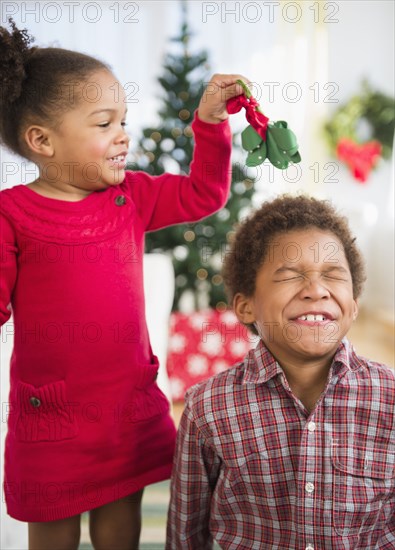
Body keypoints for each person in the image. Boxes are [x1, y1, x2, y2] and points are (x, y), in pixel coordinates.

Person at [0, 19, 249, 550]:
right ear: (41, 141)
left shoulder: (130, 196)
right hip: (53, 420)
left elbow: (204, 193)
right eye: (103, 123)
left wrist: (207, 123)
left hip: (124, 411)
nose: (123, 135)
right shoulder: (12, 215)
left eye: (124, 120)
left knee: (121, 529)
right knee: (52, 534)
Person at [166, 195, 395, 549]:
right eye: (290, 276)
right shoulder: (207, 408)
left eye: (333, 276)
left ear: (353, 305)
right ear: (245, 306)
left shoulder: (390, 398)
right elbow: (186, 533)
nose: (316, 290)